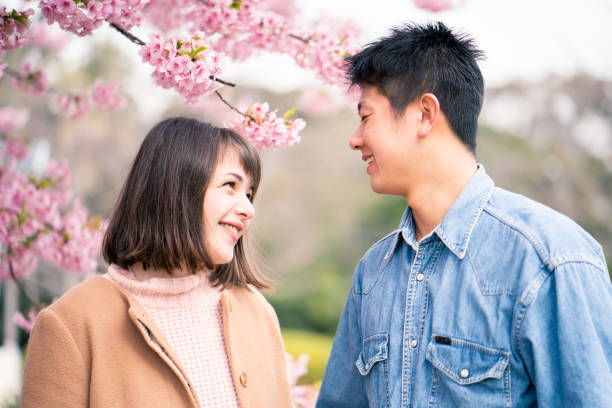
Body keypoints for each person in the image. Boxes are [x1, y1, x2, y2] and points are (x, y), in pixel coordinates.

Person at [316, 22, 612, 407]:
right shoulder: (373, 272)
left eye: (366, 116)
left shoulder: (548, 258)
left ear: (425, 113)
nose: (355, 139)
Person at [21, 117, 293, 408]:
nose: (248, 209)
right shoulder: (70, 324)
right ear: (175, 188)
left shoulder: (257, 313)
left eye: (249, 194)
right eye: (230, 185)